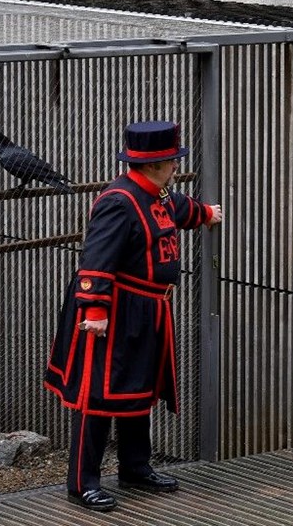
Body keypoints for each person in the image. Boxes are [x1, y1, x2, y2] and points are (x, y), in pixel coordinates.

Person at [43, 120, 223, 512]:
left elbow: (179, 209)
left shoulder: (157, 194)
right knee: (98, 396)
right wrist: (95, 311)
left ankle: (135, 467)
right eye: (173, 161)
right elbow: (96, 260)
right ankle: (82, 482)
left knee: (138, 388)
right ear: (155, 163)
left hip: (148, 312)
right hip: (113, 312)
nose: (177, 166)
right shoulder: (118, 202)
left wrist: (206, 213)